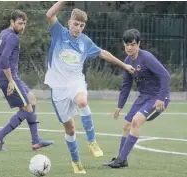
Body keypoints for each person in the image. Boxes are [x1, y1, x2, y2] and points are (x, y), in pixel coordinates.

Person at [45, 1, 135, 174]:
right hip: (58, 89)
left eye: (81, 25)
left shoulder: (85, 42)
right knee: (70, 129)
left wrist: (124, 65)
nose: (78, 28)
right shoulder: (58, 33)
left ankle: (92, 141)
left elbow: (104, 54)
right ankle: (76, 162)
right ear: (69, 22)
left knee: (82, 101)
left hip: (76, 82)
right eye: (75, 24)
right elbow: (49, 15)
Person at [103, 29, 170, 168]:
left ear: (139, 44)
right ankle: (122, 160)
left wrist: (161, 98)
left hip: (157, 97)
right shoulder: (127, 61)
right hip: (143, 97)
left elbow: (165, 76)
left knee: (135, 121)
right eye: (126, 44)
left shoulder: (147, 58)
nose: (129, 47)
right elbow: (126, 85)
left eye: (132, 44)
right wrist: (120, 106)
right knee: (126, 125)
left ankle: (120, 160)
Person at [0, 10, 54, 151]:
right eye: (19, 23)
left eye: (24, 23)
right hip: (9, 78)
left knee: (32, 100)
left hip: (8, 76)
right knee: (27, 109)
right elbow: (4, 59)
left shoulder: (4, 33)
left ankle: (36, 140)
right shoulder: (12, 38)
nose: (22, 26)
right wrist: (10, 79)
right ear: (12, 22)